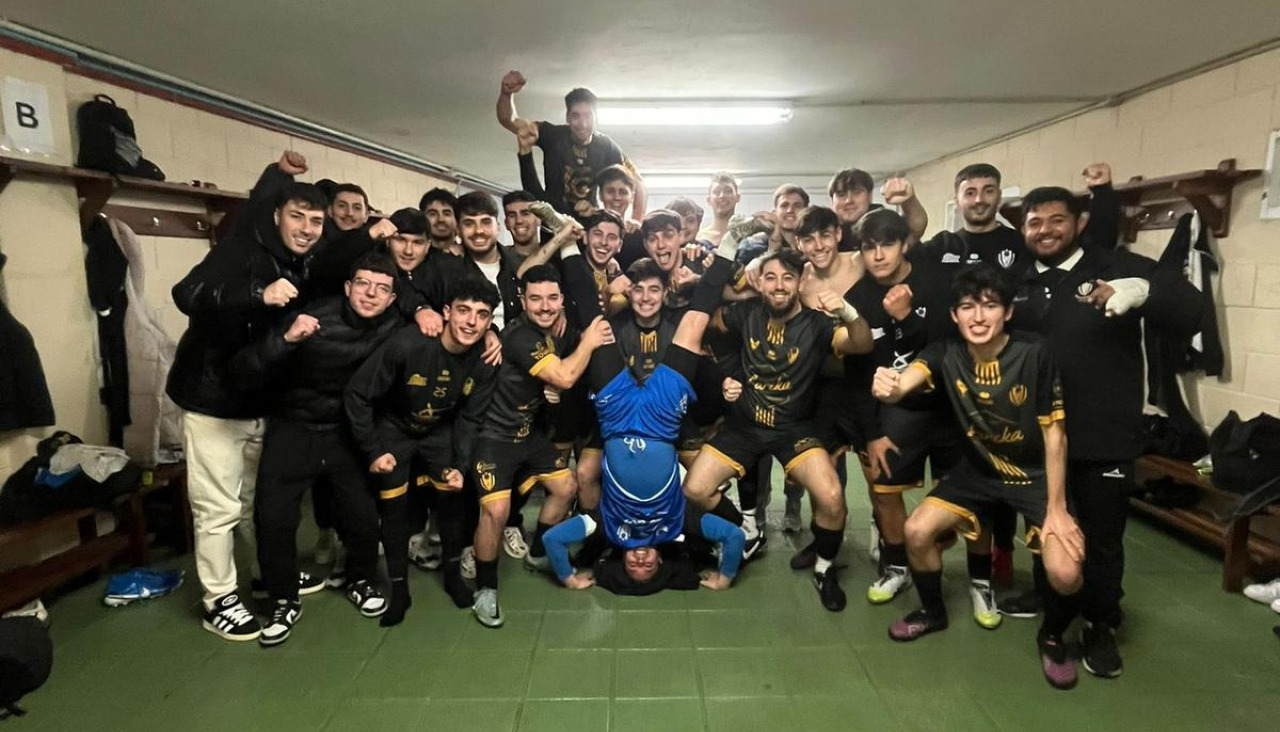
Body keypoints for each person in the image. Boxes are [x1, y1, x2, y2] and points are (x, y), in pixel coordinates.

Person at [1006, 185, 1201, 677]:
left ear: (1079, 223)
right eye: (1034, 222)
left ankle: (1100, 622)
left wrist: (1143, 291)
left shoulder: (1116, 265)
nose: (1045, 230)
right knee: (1045, 527)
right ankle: (1051, 601)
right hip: (1040, 435)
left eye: (1056, 220)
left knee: (1103, 537)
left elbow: (1190, 309)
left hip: (1104, 434)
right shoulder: (1020, 279)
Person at [872, 263, 1085, 690]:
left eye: (990, 306)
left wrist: (1058, 509)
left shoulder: (1035, 352)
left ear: (1007, 311)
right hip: (977, 473)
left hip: (1036, 476)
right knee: (916, 531)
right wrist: (890, 386)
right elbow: (906, 382)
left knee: (1065, 572)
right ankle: (933, 612)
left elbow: (1055, 434)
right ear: (954, 315)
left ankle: (1051, 636)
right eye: (967, 307)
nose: (978, 317)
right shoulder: (945, 352)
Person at [540, 218, 744, 593]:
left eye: (633, 565)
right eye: (648, 566)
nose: (640, 560)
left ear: (622, 561)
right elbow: (732, 537)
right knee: (694, 323)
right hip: (661, 417)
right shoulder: (675, 524)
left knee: (593, 323)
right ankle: (731, 243)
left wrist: (569, 578)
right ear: (661, 560)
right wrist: (725, 576)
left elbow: (553, 541)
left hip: (616, 416)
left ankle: (567, 241)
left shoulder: (607, 526)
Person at [167, 182, 330, 641]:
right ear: (277, 215)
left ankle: (266, 573)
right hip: (213, 400)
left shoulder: (301, 260)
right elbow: (187, 293)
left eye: (315, 221)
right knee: (216, 507)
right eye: (298, 216)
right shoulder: (240, 249)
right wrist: (258, 293)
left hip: (262, 401)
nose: (306, 228)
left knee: (254, 502)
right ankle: (219, 599)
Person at [682, 248, 873, 611]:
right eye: (770, 277)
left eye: (788, 277)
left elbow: (862, 344)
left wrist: (847, 313)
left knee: (832, 497)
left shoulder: (818, 324)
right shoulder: (746, 312)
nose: (779, 285)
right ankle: (747, 529)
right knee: (694, 489)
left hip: (794, 429)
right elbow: (703, 321)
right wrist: (723, 376)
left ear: (801, 281)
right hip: (744, 425)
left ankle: (824, 567)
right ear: (761, 283)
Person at [230, 252, 401, 645]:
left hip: (344, 431)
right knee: (273, 518)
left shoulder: (394, 326)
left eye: (382, 289)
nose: (370, 295)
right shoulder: (312, 317)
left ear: (392, 299)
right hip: (294, 427)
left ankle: (360, 580)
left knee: (361, 514)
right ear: (348, 287)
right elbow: (244, 370)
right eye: (363, 284)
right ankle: (282, 598)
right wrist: (285, 339)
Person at [345, 276, 502, 625]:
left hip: (439, 431)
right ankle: (399, 591)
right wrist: (372, 449)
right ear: (446, 312)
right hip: (394, 429)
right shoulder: (407, 344)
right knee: (394, 508)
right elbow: (357, 395)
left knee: (452, 500)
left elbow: (470, 417)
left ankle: (452, 578)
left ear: (491, 321)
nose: (471, 322)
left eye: (481, 314)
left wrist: (459, 464)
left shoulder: (485, 357)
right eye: (463, 311)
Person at [467, 265, 613, 628]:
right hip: (495, 436)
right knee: (496, 514)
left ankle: (538, 551)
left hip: (529, 434)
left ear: (562, 300)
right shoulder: (518, 336)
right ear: (522, 301)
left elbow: (559, 375)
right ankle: (485, 589)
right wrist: (589, 342)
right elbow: (564, 374)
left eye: (552, 298)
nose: (544, 306)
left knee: (567, 486)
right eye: (535, 299)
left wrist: (555, 384)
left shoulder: (557, 330)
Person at [496, 70, 647, 217]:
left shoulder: (607, 146)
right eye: (576, 116)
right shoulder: (553, 135)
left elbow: (638, 183)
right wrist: (506, 94)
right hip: (554, 224)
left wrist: (636, 222)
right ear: (567, 118)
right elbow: (509, 120)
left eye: (588, 116)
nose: (583, 124)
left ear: (596, 118)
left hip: (589, 224)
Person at [827, 168, 927, 249]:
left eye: (857, 192)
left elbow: (915, 229)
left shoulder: (886, 222)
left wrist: (909, 201)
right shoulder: (825, 230)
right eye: (841, 194)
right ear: (832, 200)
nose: (849, 200)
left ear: (869, 196)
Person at [697, 172, 742, 244]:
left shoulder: (749, 236)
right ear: (709, 200)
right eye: (717, 192)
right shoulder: (699, 238)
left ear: (737, 198)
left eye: (728, 191)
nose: (722, 195)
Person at [419, 188, 462, 257]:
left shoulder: (469, 258)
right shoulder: (413, 257)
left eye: (447, 214)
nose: (441, 219)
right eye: (433, 214)